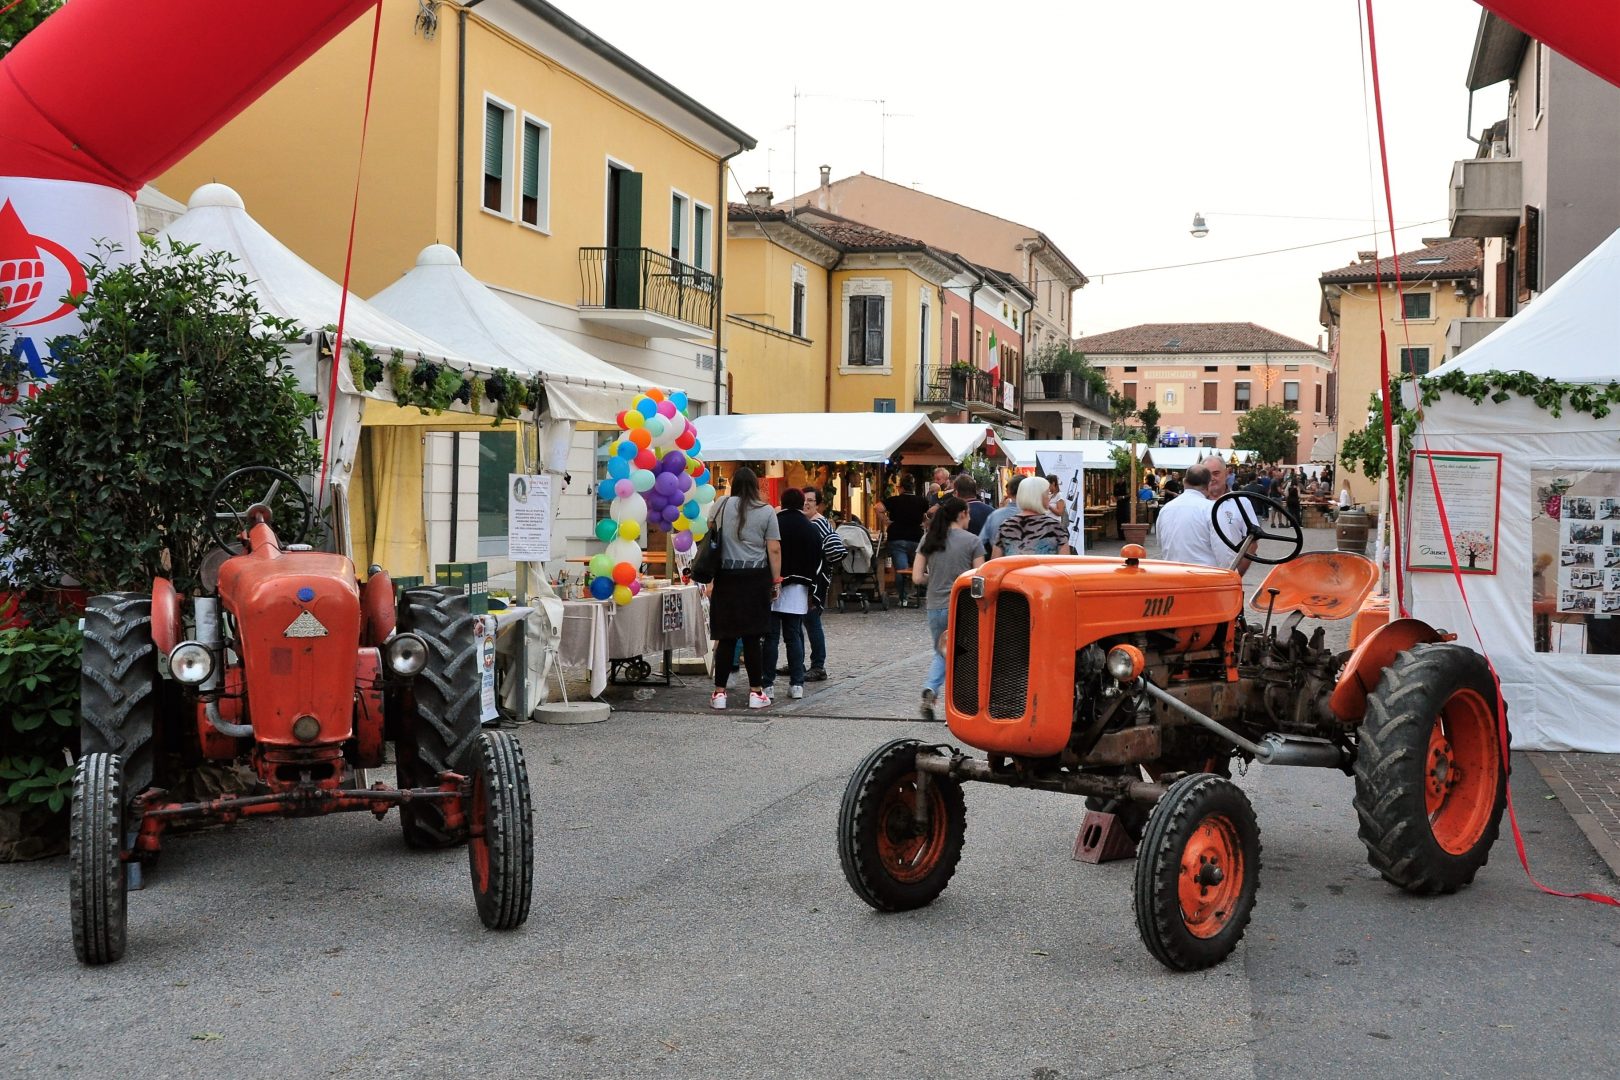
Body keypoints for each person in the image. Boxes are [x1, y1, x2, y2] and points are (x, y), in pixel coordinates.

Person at [708, 467, 780, 711]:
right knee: (752, 637)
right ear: (756, 486)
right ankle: (756, 692)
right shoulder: (767, 511)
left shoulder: (720, 505)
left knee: (726, 636)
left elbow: (710, 530)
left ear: (733, 484)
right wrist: (775, 580)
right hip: (755, 578)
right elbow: (774, 549)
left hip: (726, 577)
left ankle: (719, 693)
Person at [914, 496, 984, 720]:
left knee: (943, 652)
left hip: (935, 605)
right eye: (969, 514)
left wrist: (933, 578)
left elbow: (916, 578)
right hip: (963, 606)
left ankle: (931, 689)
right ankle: (961, 705)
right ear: (962, 514)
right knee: (964, 654)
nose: (970, 519)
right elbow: (979, 580)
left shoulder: (929, 538)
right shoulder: (973, 541)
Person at [761, 487, 824, 701]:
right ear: (801, 504)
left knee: (771, 637)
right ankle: (797, 683)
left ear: (782, 501)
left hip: (774, 585)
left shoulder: (774, 523)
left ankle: (767, 684)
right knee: (793, 636)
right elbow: (818, 560)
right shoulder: (811, 528)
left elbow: (767, 552)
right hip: (799, 588)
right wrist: (812, 590)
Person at [777, 486, 844, 682]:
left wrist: (822, 567)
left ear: (818, 504)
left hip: (815, 581)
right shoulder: (804, 523)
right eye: (804, 500)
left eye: (811, 501)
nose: (806, 503)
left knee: (811, 621)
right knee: (797, 622)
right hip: (805, 579)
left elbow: (836, 550)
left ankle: (818, 666)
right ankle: (797, 663)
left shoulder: (819, 523)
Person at [1156, 463, 1250, 572]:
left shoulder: (1165, 509)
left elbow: (1161, 544)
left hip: (1172, 577)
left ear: (1184, 482)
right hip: (1204, 579)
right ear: (1208, 484)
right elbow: (1224, 551)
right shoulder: (1212, 510)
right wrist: (1232, 576)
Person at [878, 473, 929, 607]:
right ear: (913, 488)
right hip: (916, 538)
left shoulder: (894, 500)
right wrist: (924, 523)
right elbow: (928, 515)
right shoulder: (922, 501)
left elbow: (878, 508)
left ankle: (903, 598)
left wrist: (886, 522)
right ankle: (921, 593)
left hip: (897, 538)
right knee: (920, 567)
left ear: (900, 488)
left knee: (901, 570)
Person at [993, 477, 1070, 557]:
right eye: (1047, 493)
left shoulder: (1006, 526)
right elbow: (1064, 564)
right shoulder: (1056, 528)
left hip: (1015, 569)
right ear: (1040, 497)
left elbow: (995, 564)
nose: (1049, 497)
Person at [980, 475, 1023, 558]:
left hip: (999, 564)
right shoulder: (1038, 518)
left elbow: (980, 543)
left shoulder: (995, 515)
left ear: (1008, 492)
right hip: (1029, 567)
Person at [1045, 474, 1069, 540]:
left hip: (1055, 526)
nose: (1046, 487)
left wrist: (1049, 506)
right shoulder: (1050, 495)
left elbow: (1060, 512)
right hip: (1048, 525)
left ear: (1053, 483)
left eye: (1047, 484)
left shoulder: (1059, 495)